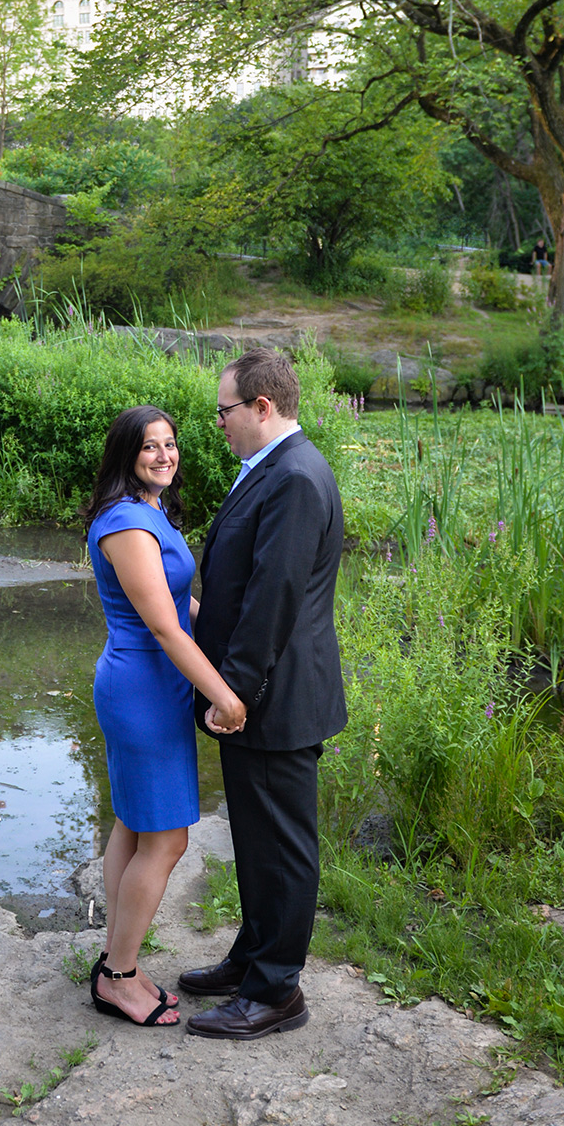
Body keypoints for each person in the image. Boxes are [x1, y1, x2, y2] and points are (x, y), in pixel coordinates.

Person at [181, 348, 347, 1041]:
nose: (217, 423)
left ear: (261, 408)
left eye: (223, 411)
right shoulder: (271, 470)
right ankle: (253, 956)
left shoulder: (296, 479)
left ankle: (277, 991)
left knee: (281, 846)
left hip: (272, 697)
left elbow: (274, 597)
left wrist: (233, 690)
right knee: (254, 838)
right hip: (259, 696)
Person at [86, 405, 244, 1029]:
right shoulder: (126, 522)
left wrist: (231, 651)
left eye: (171, 444)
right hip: (142, 690)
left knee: (132, 823)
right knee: (169, 836)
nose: (164, 455)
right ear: (126, 455)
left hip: (155, 686)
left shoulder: (151, 512)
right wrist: (224, 695)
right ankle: (119, 980)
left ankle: (114, 962)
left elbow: (182, 603)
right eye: (150, 447)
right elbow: (161, 625)